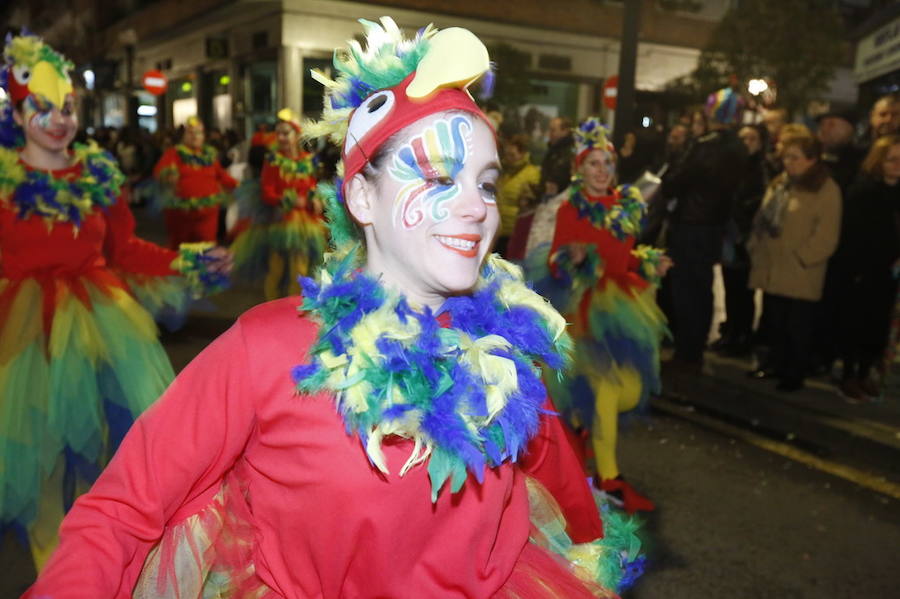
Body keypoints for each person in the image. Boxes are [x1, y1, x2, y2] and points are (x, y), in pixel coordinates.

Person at [28, 19, 643, 598]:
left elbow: (569, 501)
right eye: (437, 178)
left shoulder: (506, 352)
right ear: (361, 197)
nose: (478, 207)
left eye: (484, 182)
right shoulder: (266, 349)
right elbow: (123, 508)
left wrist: (596, 561)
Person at [0, 33, 230, 571]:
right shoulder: (4, 181)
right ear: (17, 110)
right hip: (21, 332)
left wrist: (185, 262)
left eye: (68, 107)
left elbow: (125, 249)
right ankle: (54, 569)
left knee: (113, 455)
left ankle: (96, 560)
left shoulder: (98, 174)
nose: (59, 120)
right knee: (38, 463)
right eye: (43, 108)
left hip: (100, 326)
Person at [527, 117, 670, 513]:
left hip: (623, 306)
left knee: (631, 391)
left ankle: (578, 430)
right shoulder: (572, 208)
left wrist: (645, 263)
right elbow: (555, 261)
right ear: (579, 169)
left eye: (607, 163)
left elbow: (620, 257)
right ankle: (609, 478)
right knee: (607, 388)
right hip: (584, 307)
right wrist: (568, 258)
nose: (602, 171)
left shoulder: (627, 205)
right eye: (593, 163)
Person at [661, 87, 747, 372]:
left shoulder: (705, 146)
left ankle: (686, 352)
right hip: (713, 227)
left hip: (690, 225)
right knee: (703, 289)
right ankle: (693, 349)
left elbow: (675, 181)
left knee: (686, 291)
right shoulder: (738, 147)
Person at [747, 136, 841, 391]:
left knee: (797, 325)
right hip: (773, 265)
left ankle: (794, 372)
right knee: (775, 321)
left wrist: (803, 258)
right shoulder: (781, 184)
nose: (788, 162)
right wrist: (756, 248)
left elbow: (827, 234)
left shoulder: (825, 188)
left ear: (812, 159)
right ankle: (775, 364)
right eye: (786, 157)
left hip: (800, 270)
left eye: (795, 157)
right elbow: (762, 219)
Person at [231, 108, 322, 299]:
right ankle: (271, 307)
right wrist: (288, 199)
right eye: (278, 133)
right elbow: (267, 193)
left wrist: (314, 198)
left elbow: (311, 184)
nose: (281, 137)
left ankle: (294, 309)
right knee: (277, 269)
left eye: (285, 133)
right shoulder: (272, 160)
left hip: (305, 224)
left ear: (297, 134)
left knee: (301, 269)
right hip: (279, 221)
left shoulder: (308, 160)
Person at [837, 135, 900, 401]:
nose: (898, 165)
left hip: (889, 270)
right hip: (863, 269)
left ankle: (865, 372)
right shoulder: (864, 192)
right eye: (892, 159)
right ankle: (850, 374)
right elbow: (853, 234)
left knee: (878, 324)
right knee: (857, 322)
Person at [715, 124, 769, 355]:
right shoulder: (730, 165)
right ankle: (731, 332)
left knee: (743, 289)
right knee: (730, 285)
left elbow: (758, 201)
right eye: (743, 138)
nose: (747, 142)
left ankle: (742, 335)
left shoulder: (761, 169)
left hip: (745, 235)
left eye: (752, 138)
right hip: (729, 232)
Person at [153, 116, 238, 248]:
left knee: (206, 250)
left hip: (207, 215)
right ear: (184, 135)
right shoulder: (174, 154)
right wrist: (168, 176)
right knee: (181, 251)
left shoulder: (209, 156)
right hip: (181, 215)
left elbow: (222, 176)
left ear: (204, 136)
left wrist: (240, 185)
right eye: (190, 132)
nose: (195, 136)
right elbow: (160, 172)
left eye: (198, 132)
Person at [495, 133, 539, 255]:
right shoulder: (503, 172)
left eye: (512, 155)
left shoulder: (531, 174)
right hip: (500, 230)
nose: (509, 158)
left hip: (518, 231)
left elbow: (530, 205)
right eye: (507, 154)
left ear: (522, 153)